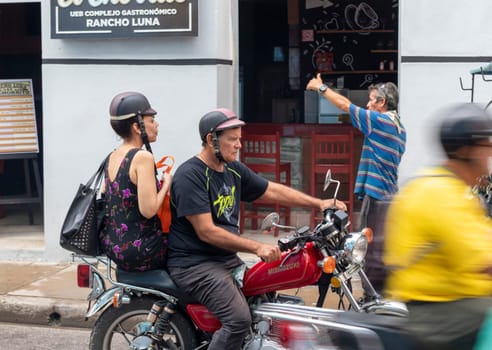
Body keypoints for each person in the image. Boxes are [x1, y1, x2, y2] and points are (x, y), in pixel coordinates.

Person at [166, 108, 347, 350]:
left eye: (239, 138)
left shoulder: (232, 169)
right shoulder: (191, 176)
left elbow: (271, 190)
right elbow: (206, 231)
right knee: (238, 320)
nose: (239, 145)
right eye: (232, 139)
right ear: (211, 140)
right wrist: (257, 246)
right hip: (195, 265)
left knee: (267, 296)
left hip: (223, 260)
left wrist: (319, 203)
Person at [383, 103, 492, 350]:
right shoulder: (440, 194)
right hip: (441, 314)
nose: (490, 154)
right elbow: (485, 262)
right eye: (486, 146)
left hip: (458, 305)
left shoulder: (453, 189)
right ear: (468, 150)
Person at [306, 74, 406, 294]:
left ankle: (372, 299)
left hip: (377, 194)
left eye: (371, 100)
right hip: (389, 195)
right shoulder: (399, 126)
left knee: (366, 249)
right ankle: (382, 295)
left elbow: (345, 105)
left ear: (382, 103)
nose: (368, 104)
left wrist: (320, 87)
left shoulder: (380, 121)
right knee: (380, 247)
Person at [99, 91, 172, 272]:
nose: (156, 124)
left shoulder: (112, 155)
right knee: (190, 247)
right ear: (137, 127)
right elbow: (148, 211)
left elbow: (105, 194)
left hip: (113, 247)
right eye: (151, 120)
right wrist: (167, 183)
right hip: (143, 250)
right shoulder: (142, 157)